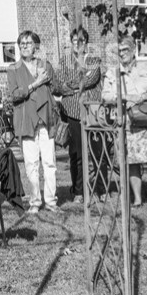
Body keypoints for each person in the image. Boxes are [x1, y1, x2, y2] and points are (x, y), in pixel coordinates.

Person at [101, 37, 147, 208]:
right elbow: (105, 96)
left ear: (133, 50)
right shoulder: (112, 72)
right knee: (132, 161)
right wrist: (123, 97)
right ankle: (137, 199)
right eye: (119, 51)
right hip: (127, 121)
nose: (122, 54)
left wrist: (142, 97)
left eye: (125, 50)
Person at [7, 30, 59, 213]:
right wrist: (35, 83)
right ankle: (35, 202)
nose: (24, 46)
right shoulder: (13, 69)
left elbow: (55, 88)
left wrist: (47, 81)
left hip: (45, 119)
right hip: (26, 121)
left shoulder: (46, 65)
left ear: (35, 46)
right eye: (21, 43)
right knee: (31, 164)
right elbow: (14, 95)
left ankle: (51, 201)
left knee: (50, 162)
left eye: (28, 43)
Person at [53, 27, 101, 202]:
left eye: (80, 41)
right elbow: (58, 86)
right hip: (72, 112)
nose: (77, 44)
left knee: (97, 152)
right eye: (74, 41)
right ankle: (79, 191)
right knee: (76, 154)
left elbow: (91, 79)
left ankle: (99, 188)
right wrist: (75, 85)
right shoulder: (64, 61)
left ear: (85, 42)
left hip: (91, 111)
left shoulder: (93, 60)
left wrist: (70, 86)